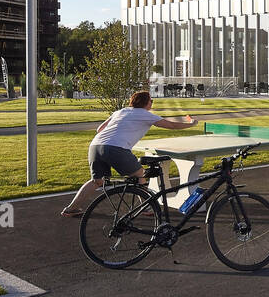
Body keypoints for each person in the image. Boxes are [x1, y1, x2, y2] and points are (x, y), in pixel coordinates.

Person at [61, 89, 194, 217]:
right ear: (146, 103)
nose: (152, 103)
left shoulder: (121, 111)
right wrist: (191, 124)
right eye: (151, 101)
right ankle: (146, 207)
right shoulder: (145, 114)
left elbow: (99, 129)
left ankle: (71, 208)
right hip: (116, 148)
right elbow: (171, 125)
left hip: (95, 146)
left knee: (97, 181)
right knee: (139, 174)